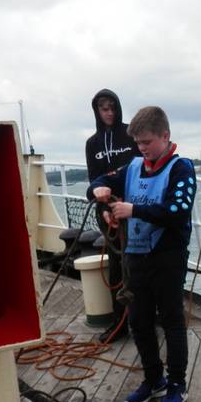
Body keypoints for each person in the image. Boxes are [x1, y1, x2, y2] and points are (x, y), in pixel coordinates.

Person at [87, 106, 195, 402]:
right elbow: (94, 184)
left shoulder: (181, 169)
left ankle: (176, 383)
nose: (141, 148)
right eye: (138, 142)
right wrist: (102, 191)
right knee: (139, 321)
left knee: (172, 320)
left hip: (167, 256)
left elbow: (178, 211)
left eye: (147, 141)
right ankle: (153, 379)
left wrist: (132, 210)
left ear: (165, 136)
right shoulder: (133, 167)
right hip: (135, 257)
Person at [85, 89, 139, 343]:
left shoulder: (130, 134)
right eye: (103, 108)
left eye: (112, 107)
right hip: (107, 211)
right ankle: (120, 324)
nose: (109, 112)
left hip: (133, 207)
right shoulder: (92, 144)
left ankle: (145, 318)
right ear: (96, 111)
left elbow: (140, 170)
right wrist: (105, 210)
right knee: (117, 267)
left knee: (140, 263)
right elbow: (93, 181)